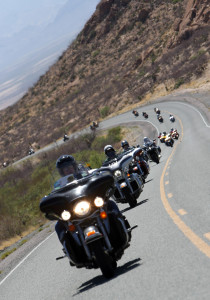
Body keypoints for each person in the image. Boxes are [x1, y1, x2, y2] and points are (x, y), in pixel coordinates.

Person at [54, 154, 125, 255]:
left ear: (74, 167)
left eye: (70, 167)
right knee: (59, 226)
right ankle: (71, 251)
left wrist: (100, 178)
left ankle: (122, 229)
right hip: (74, 212)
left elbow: (95, 179)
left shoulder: (85, 175)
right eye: (65, 169)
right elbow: (54, 195)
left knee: (110, 205)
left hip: (91, 205)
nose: (68, 170)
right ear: (62, 172)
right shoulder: (58, 186)